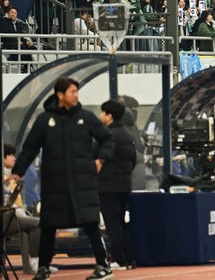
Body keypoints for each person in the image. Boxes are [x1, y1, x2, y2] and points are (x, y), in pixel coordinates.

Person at [9, 77, 114, 280]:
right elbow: (29, 148)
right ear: (60, 95)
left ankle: (103, 266)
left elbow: (107, 139)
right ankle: (43, 268)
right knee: (48, 226)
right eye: (72, 91)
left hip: (83, 183)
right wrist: (17, 171)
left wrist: (101, 160)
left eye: (76, 91)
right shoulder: (44, 120)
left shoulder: (86, 118)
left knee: (91, 224)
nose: (76, 95)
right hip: (54, 184)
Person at [98, 99, 137, 269]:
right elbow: (133, 161)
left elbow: (97, 158)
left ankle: (118, 259)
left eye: (102, 112)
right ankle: (129, 258)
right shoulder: (129, 136)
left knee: (112, 223)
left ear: (109, 116)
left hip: (108, 186)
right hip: (124, 184)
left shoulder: (106, 136)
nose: (100, 116)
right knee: (121, 222)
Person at [2, 144, 41, 275]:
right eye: (11, 155)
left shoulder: (11, 177)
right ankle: (36, 263)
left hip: (16, 214)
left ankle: (38, 263)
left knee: (37, 221)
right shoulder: (4, 179)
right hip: (7, 218)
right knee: (37, 224)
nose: (14, 158)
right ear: (3, 158)